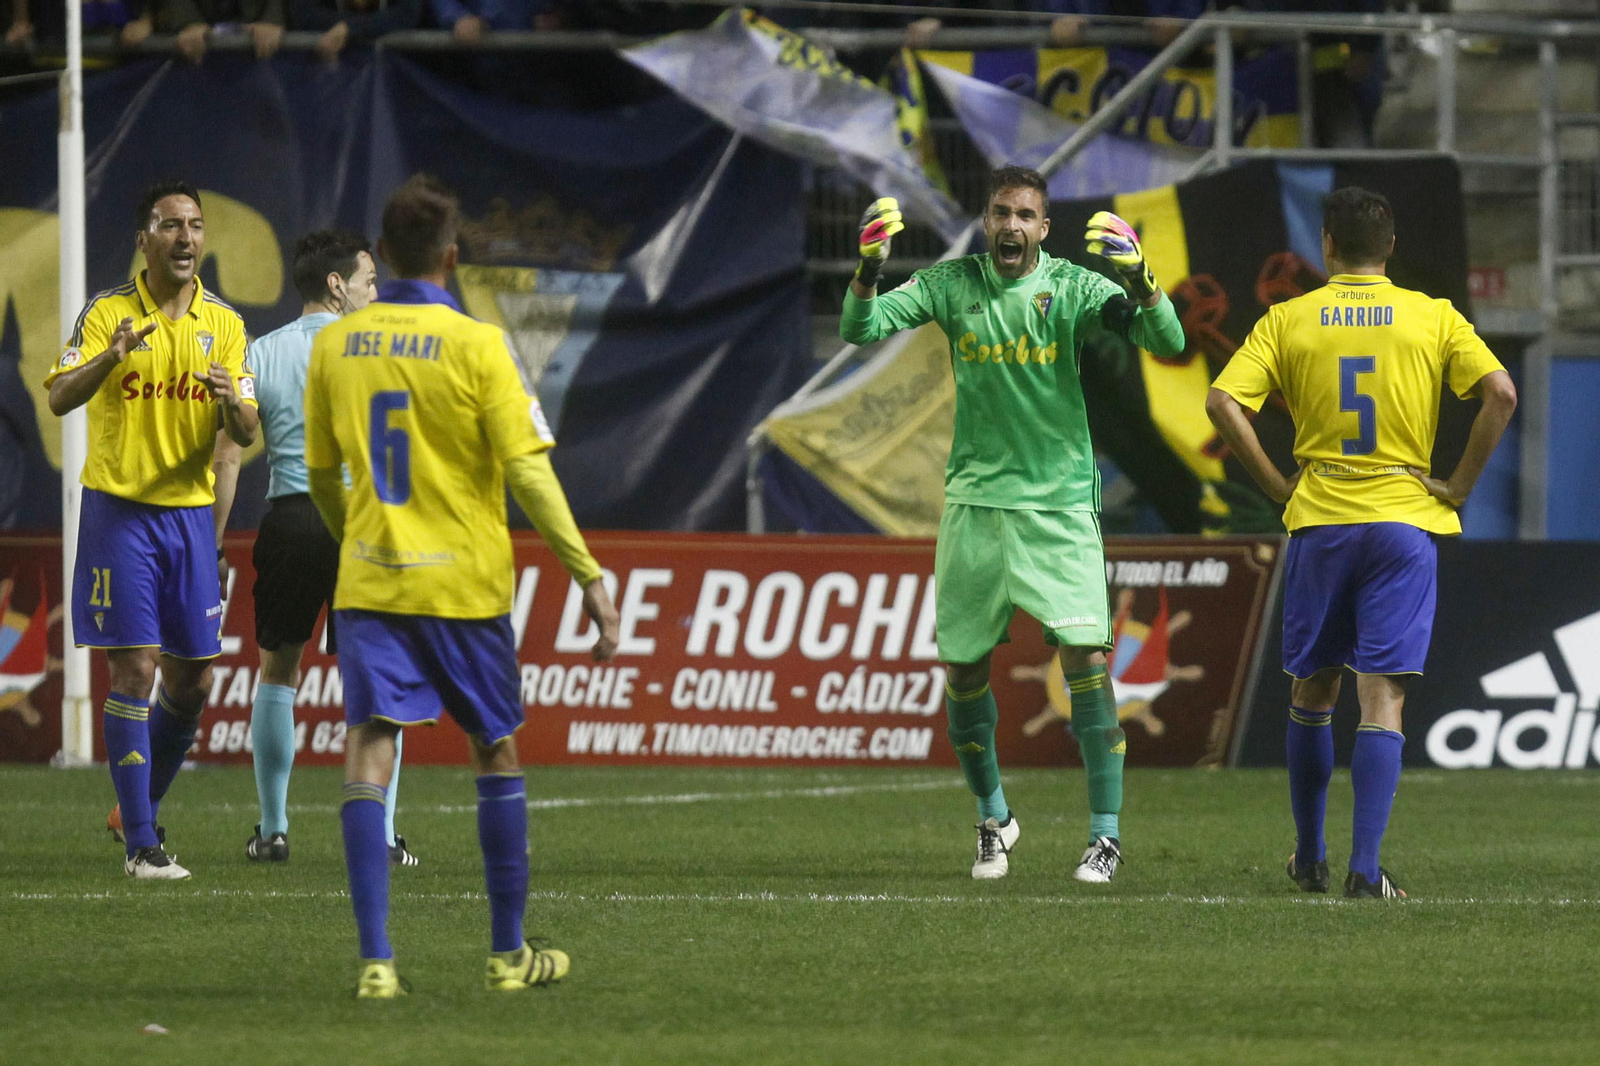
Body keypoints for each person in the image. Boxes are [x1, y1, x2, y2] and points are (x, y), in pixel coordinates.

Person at [304, 174, 621, 997]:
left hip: (371, 582)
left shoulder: (336, 345)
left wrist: (359, 548)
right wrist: (586, 573)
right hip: (465, 591)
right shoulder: (480, 346)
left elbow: (319, 474)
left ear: (385, 253)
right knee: (494, 749)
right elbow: (528, 473)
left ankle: (377, 963)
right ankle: (508, 954)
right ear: (451, 255)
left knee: (370, 753)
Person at [840, 166, 1185, 882]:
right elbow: (859, 328)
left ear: (1044, 227)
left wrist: (1144, 281)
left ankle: (1106, 836)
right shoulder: (949, 285)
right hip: (974, 506)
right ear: (986, 220)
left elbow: (1170, 341)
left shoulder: (1075, 286)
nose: (1012, 227)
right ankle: (993, 819)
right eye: (1000, 213)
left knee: (1087, 661)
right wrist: (868, 269)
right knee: (963, 672)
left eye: (1026, 215)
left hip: (1057, 507)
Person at [1205, 186, 1516, 899]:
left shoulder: (1290, 318)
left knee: (1313, 690)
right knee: (1383, 699)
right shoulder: (1432, 317)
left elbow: (1223, 403)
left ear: (1327, 246)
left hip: (1322, 518)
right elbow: (1500, 394)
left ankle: (1309, 857)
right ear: (1391, 247)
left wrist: (1277, 486)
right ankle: (1364, 869)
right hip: (1404, 519)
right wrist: (1459, 486)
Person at [45, 179, 259, 880]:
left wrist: (233, 406)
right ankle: (143, 844)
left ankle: (133, 809)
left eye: (196, 225)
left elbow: (247, 430)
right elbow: (57, 396)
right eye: (172, 226)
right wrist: (111, 357)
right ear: (145, 239)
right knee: (135, 668)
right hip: (121, 514)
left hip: (191, 521)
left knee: (193, 680)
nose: (187, 238)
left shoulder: (224, 325)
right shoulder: (108, 314)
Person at [229, 230, 420, 866]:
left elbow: (234, 437)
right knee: (376, 682)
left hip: (289, 518)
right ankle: (384, 838)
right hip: (362, 521)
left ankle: (273, 830)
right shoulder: (377, 351)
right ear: (337, 285)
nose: (375, 291)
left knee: (278, 672)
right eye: (368, 280)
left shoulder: (261, 350)